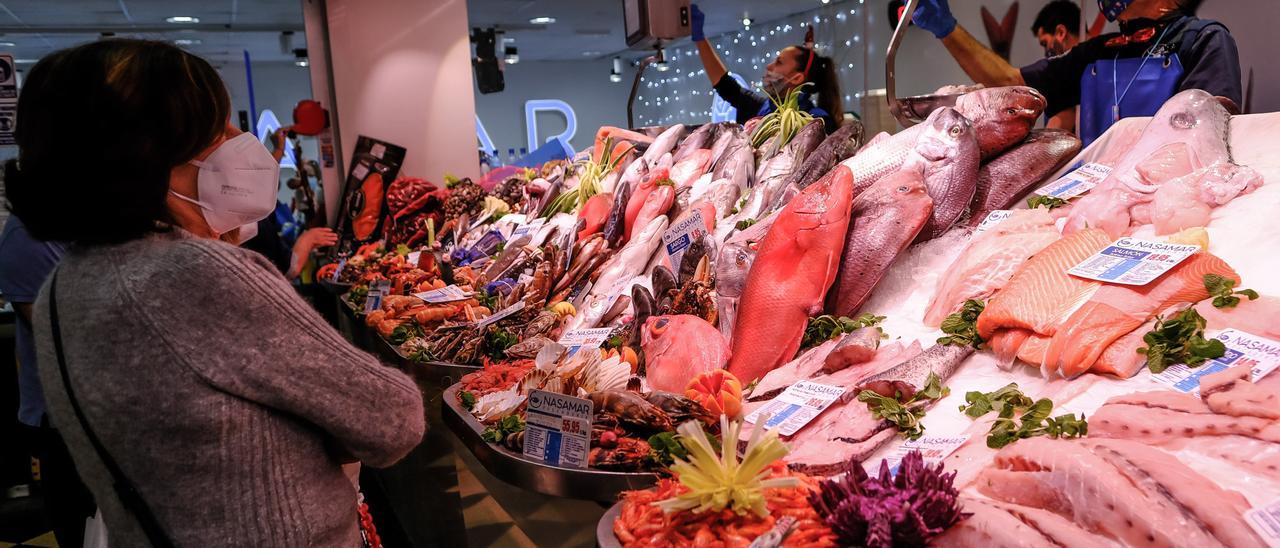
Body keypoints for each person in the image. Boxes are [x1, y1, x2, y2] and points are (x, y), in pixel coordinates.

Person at [4, 39, 425, 546]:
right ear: (148, 153)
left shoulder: (64, 285)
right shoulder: (195, 275)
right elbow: (392, 418)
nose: (237, 140)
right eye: (215, 131)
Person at [912, 0, 1241, 145]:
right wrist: (948, 30)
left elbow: (1206, 135)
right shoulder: (1096, 51)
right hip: (1094, 200)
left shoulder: (1204, 39)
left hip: (1168, 201)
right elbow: (1012, 83)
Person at [0, 216, 94, 547]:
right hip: (67, 420)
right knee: (83, 529)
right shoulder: (29, 231)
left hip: (114, 414)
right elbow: (72, 331)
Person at [690, 4, 843, 132]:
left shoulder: (818, 122)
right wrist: (700, 38)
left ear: (797, 78)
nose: (769, 66)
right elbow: (726, 86)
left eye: (779, 62)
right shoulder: (762, 108)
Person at [1032, 0, 1083, 131]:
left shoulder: (1073, 72)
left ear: (1061, 32)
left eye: (1045, 43)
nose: (1046, 52)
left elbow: (1061, 121)